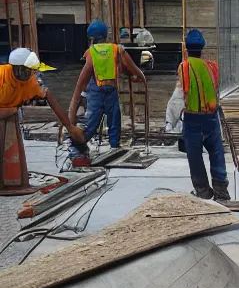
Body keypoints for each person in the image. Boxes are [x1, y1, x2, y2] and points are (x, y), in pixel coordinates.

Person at [0, 48, 84, 192]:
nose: (27, 75)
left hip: (11, 115)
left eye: (30, 71)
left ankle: (14, 181)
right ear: (15, 68)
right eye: (24, 71)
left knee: (12, 150)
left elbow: (48, 96)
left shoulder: (30, 82)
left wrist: (69, 127)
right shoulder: (2, 75)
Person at [68, 20, 147, 162]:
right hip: (111, 90)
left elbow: (82, 80)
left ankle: (77, 147)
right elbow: (133, 68)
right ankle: (114, 149)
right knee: (114, 121)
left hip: (95, 91)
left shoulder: (90, 53)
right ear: (106, 35)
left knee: (91, 125)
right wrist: (139, 77)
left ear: (91, 38)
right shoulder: (117, 50)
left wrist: (76, 101)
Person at [177, 29, 230, 201]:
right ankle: (221, 191)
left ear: (186, 49)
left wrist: (172, 118)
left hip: (193, 118)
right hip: (211, 117)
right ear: (202, 49)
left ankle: (203, 191)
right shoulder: (212, 67)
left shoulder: (184, 66)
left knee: (195, 156)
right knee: (216, 152)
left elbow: (181, 93)